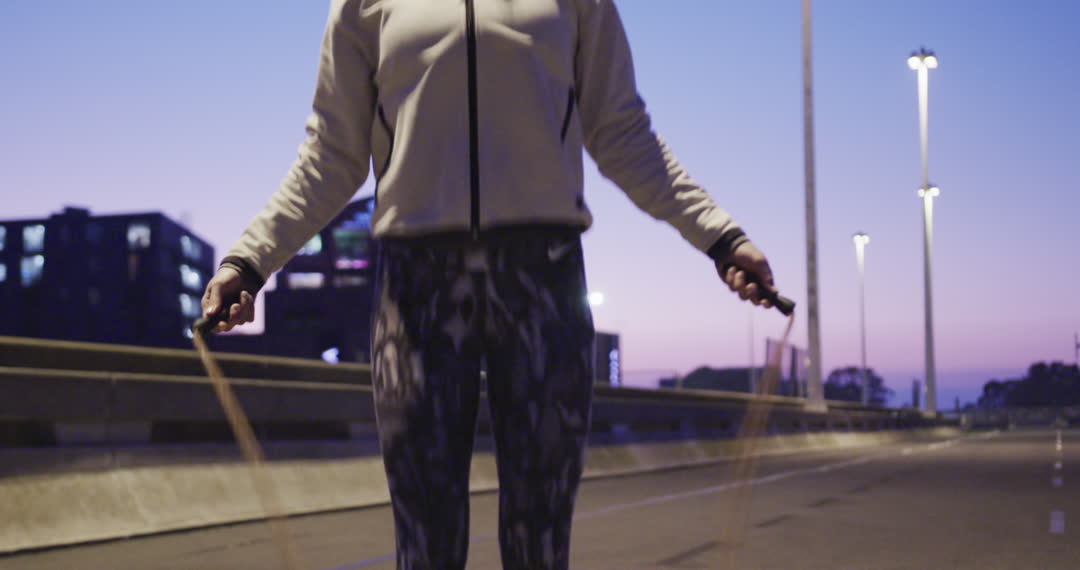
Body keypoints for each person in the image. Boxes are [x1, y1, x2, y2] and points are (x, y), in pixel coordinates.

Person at [201, 1, 779, 568]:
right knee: (424, 540)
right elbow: (331, 154)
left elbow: (623, 134)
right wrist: (249, 261)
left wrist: (720, 236)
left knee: (540, 538)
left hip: (542, 286)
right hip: (417, 292)